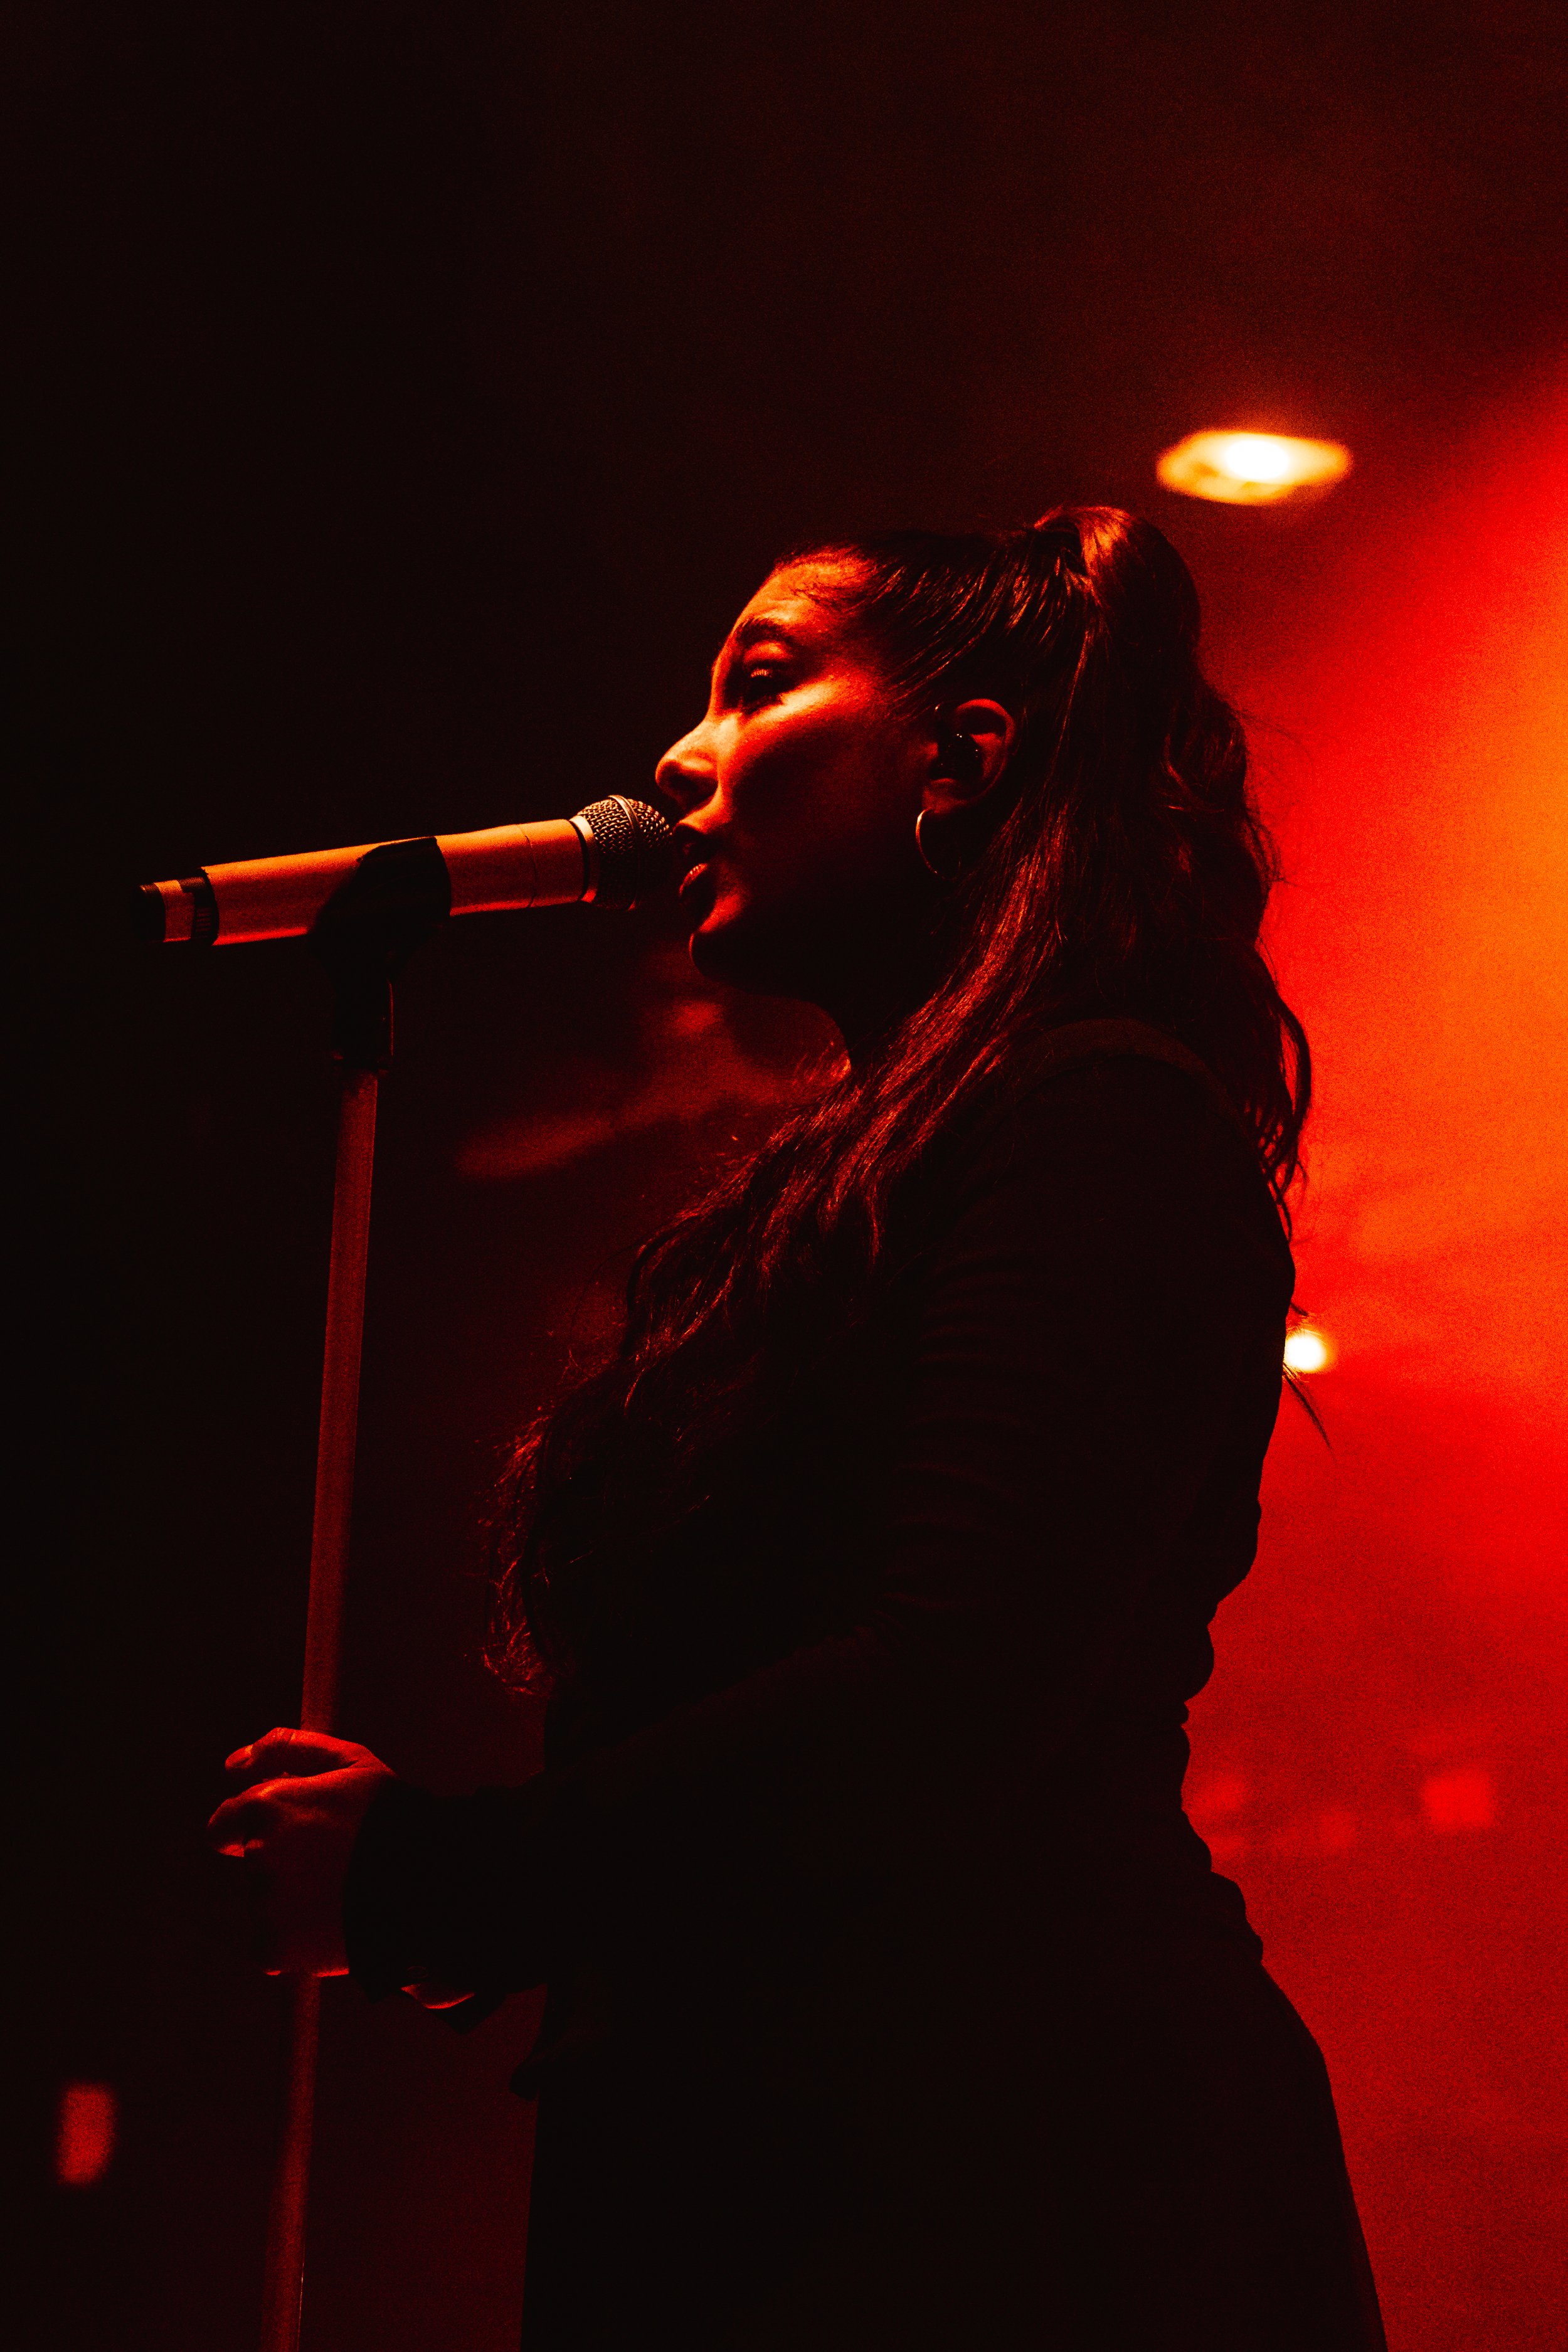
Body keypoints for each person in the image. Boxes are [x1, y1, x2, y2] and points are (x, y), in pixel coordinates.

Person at [209, 509, 1387, 2349]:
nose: (678, 760)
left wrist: (451, 1876)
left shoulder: (1093, 1123)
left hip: (1005, 2180)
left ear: (961, 757)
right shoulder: (884, 1166)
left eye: (755, 684)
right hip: (799, 2150)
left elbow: (954, 1674)